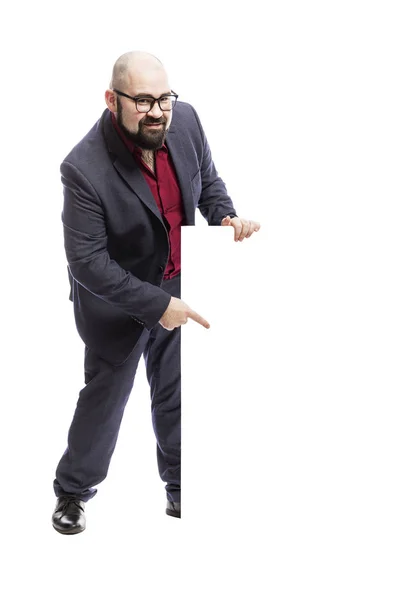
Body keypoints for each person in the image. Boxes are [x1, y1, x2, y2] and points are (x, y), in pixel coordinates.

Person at [52, 50, 261, 535]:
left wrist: (225, 218)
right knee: (106, 401)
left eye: (163, 98)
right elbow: (87, 262)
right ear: (112, 99)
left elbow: (207, 182)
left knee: (177, 393)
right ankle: (72, 491)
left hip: (179, 285)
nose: (157, 111)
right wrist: (155, 304)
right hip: (118, 302)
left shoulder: (185, 121)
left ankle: (181, 486)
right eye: (143, 100)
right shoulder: (82, 168)